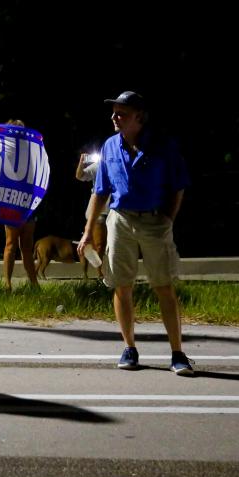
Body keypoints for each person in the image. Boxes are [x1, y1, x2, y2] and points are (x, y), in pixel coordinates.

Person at [77, 90, 193, 375]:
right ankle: (129, 348)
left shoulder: (163, 145)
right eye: (114, 112)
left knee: (163, 285)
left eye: (122, 113)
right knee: (121, 285)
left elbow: (179, 185)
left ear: (139, 117)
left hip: (154, 221)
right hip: (120, 220)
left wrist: (167, 219)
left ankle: (178, 353)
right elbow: (100, 191)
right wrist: (88, 231)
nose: (114, 117)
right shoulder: (109, 146)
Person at [1, 119, 40, 291]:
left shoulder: (32, 151)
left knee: (27, 246)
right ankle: (7, 284)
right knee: (11, 244)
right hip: (11, 202)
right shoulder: (5, 151)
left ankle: (33, 284)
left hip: (28, 204)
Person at [75, 148, 109, 284]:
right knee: (98, 244)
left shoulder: (121, 163)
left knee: (111, 245)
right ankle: (99, 274)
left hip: (117, 210)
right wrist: (82, 162)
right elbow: (80, 176)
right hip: (99, 211)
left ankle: (110, 274)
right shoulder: (99, 166)